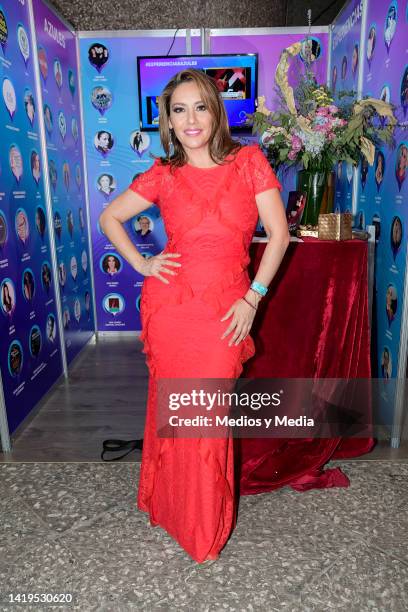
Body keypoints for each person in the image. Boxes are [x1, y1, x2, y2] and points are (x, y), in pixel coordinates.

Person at [99, 68, 289, 563]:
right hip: (172, 308)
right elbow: (109, 217)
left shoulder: (248, 162)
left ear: (216, 111)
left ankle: (203, 526)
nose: (190, 119)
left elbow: (279, 235)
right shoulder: (163, 173)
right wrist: (142, 261)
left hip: (227, 308)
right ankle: (170, 505)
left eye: (200, 106)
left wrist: (253, 298)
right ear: (167, 119)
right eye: (178, 109)